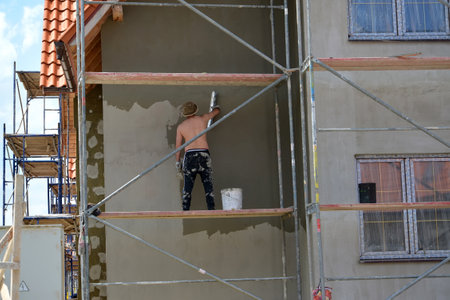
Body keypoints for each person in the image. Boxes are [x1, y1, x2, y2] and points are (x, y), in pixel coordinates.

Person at [175, 101, 220, 211]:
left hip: (190, 156)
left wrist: (177, 162)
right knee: (207, 184)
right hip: (204, 154)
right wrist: (216, 108)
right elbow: (216, 112)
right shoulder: (203, 118)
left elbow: (178, 146)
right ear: (196, 111)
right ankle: (211, 208)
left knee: (188, 186)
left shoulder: (181, 127)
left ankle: (185, 210)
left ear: (185, 114)